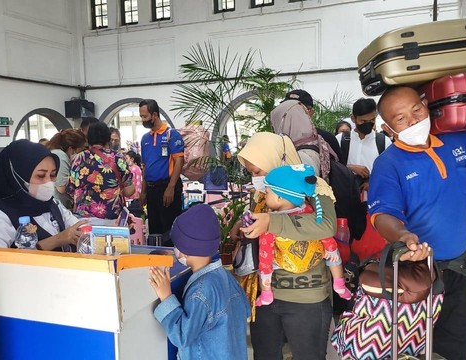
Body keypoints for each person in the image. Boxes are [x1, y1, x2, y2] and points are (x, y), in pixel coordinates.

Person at [368, 57, 466, 360]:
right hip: (417, 271)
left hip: (461, 267)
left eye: (416, 110)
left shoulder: (459, 140)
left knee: (454, 344)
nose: (413, 121)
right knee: (413, 347)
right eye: (401, 119)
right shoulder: (388, 164)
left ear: (426, 105)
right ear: (387, 127)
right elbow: (382, 212)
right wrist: (403, 235)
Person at [232, 132, 336, 360]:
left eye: (257, 171)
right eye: (251, 173)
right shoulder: (263, 193)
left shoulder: (313, 186)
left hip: (305, 297)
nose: (255, 178)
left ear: (277, 161)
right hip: (266, 295)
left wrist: (271, 222)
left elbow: (326, 226)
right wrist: (244, 225)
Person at [149, 204, 250, 360]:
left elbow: (183, 336)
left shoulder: (200, 292)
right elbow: (245, 310)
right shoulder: (226, 276)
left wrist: (166, 297)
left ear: (184, 250)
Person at [255, 164, 351, 307]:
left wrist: (265, 271)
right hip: (313, 257)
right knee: (333, 254)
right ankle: (339, 282)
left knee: (265, 264)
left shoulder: (270, 222)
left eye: (267, 192)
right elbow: (324, 234)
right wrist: (330, 250)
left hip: (285, 264)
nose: (265, 195)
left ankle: (266, 294)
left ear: (280, 197)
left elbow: (265, 254)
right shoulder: (310, 211)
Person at [0, 139, 87, 250]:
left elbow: (78, 226)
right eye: (41, 176)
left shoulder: (53, 205)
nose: (48, 182)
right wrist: (57, 240)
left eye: (52, 175)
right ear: (18, 177)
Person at [67, 122, 134, 219]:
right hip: (110, 217)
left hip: (83, 218)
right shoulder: (118, 158)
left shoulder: (78, 159)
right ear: (108, 139)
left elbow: (70, 190)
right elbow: (129, 191)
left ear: (88, 139)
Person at [139, 99, 184, 242]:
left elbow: (179, 161)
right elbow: (145, 167)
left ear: (154, 115)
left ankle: (173, 261)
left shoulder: (172, 135)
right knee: (155, 231)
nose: (142, 120)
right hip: (152, 190)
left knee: (170, 230)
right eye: (141, 116)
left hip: (167, 187)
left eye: (145, 116)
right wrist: (143, 191)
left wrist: (170, 187)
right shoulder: (145, 139)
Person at [335, 98, 392, 183]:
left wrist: (373, 182)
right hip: (346, 192)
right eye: (363, 121)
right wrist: (350, 167)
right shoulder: (340, 139)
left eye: (372, 120)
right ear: (353, 118)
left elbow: (391, 170)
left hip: (374, 193)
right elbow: (330, 166)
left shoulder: (384, 142)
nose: (368, 124)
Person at [283, 89, 344, 167]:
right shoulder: (277, 139)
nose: (291, 114)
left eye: (297, 110)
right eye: (286, 109)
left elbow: (340, 171)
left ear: (311, 112)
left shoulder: (326, 138)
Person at [46, 129, 87, 209]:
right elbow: (61, 188)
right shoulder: (60, 156)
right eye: (80, 151)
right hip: (56, 204)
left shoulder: (56, 153)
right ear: (71, 149)